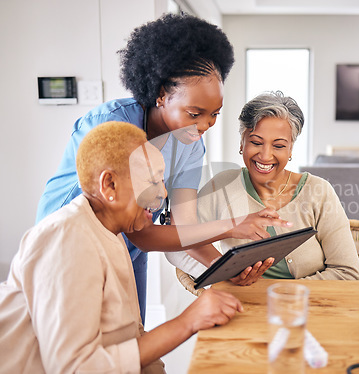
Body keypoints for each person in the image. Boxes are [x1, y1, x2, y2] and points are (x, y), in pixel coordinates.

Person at [36, 14, 288, 322]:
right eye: (195, 113)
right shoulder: (114, 126)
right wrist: (232, 225)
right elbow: (140, 233)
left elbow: (184, 228)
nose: (205, 125)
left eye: (214, 114)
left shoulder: (191, 143)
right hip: (70, 249)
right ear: (161, 95)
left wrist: (226, 269)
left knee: (133, 340)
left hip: (128, 249)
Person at [0, 122, 243, 374]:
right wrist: (188, 321)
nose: (162, 193)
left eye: (162, 181)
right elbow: (73, 368)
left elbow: (132, 333)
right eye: (152, 181)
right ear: (109, 185)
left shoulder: (111, 233)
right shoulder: (65, 240)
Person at [167, 92, 359, 281]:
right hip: (243, 306)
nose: (266, 156)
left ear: (291, 148)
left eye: (278, 146)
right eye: (256, 142)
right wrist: (224, 275)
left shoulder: (319, 191)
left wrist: (282, 296)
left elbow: (347, 272)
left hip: (310, 307)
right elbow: (177, 246)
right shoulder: (222, 187)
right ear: (242, 142)